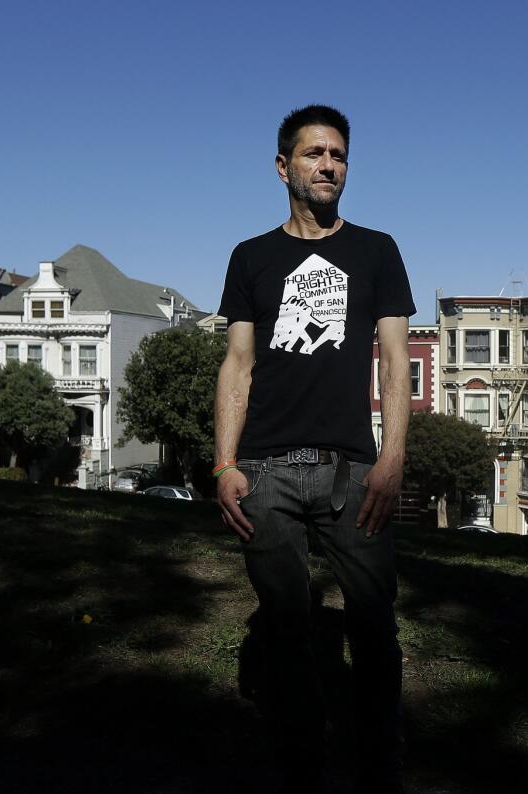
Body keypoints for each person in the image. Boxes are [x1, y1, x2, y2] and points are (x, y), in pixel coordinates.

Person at [214, 104, 415, 794]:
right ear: (283, 167)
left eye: (338, 155)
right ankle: (303, 765)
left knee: (373, 624)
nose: (328, 165)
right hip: (265, 470)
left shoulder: (376, 251)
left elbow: (394, 361)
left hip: (353, 471)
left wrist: (391, 458)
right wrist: (223, 463)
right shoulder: (252, 257)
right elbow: (237, 365)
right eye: (313, 154)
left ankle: (380, 767)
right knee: (285, 628)